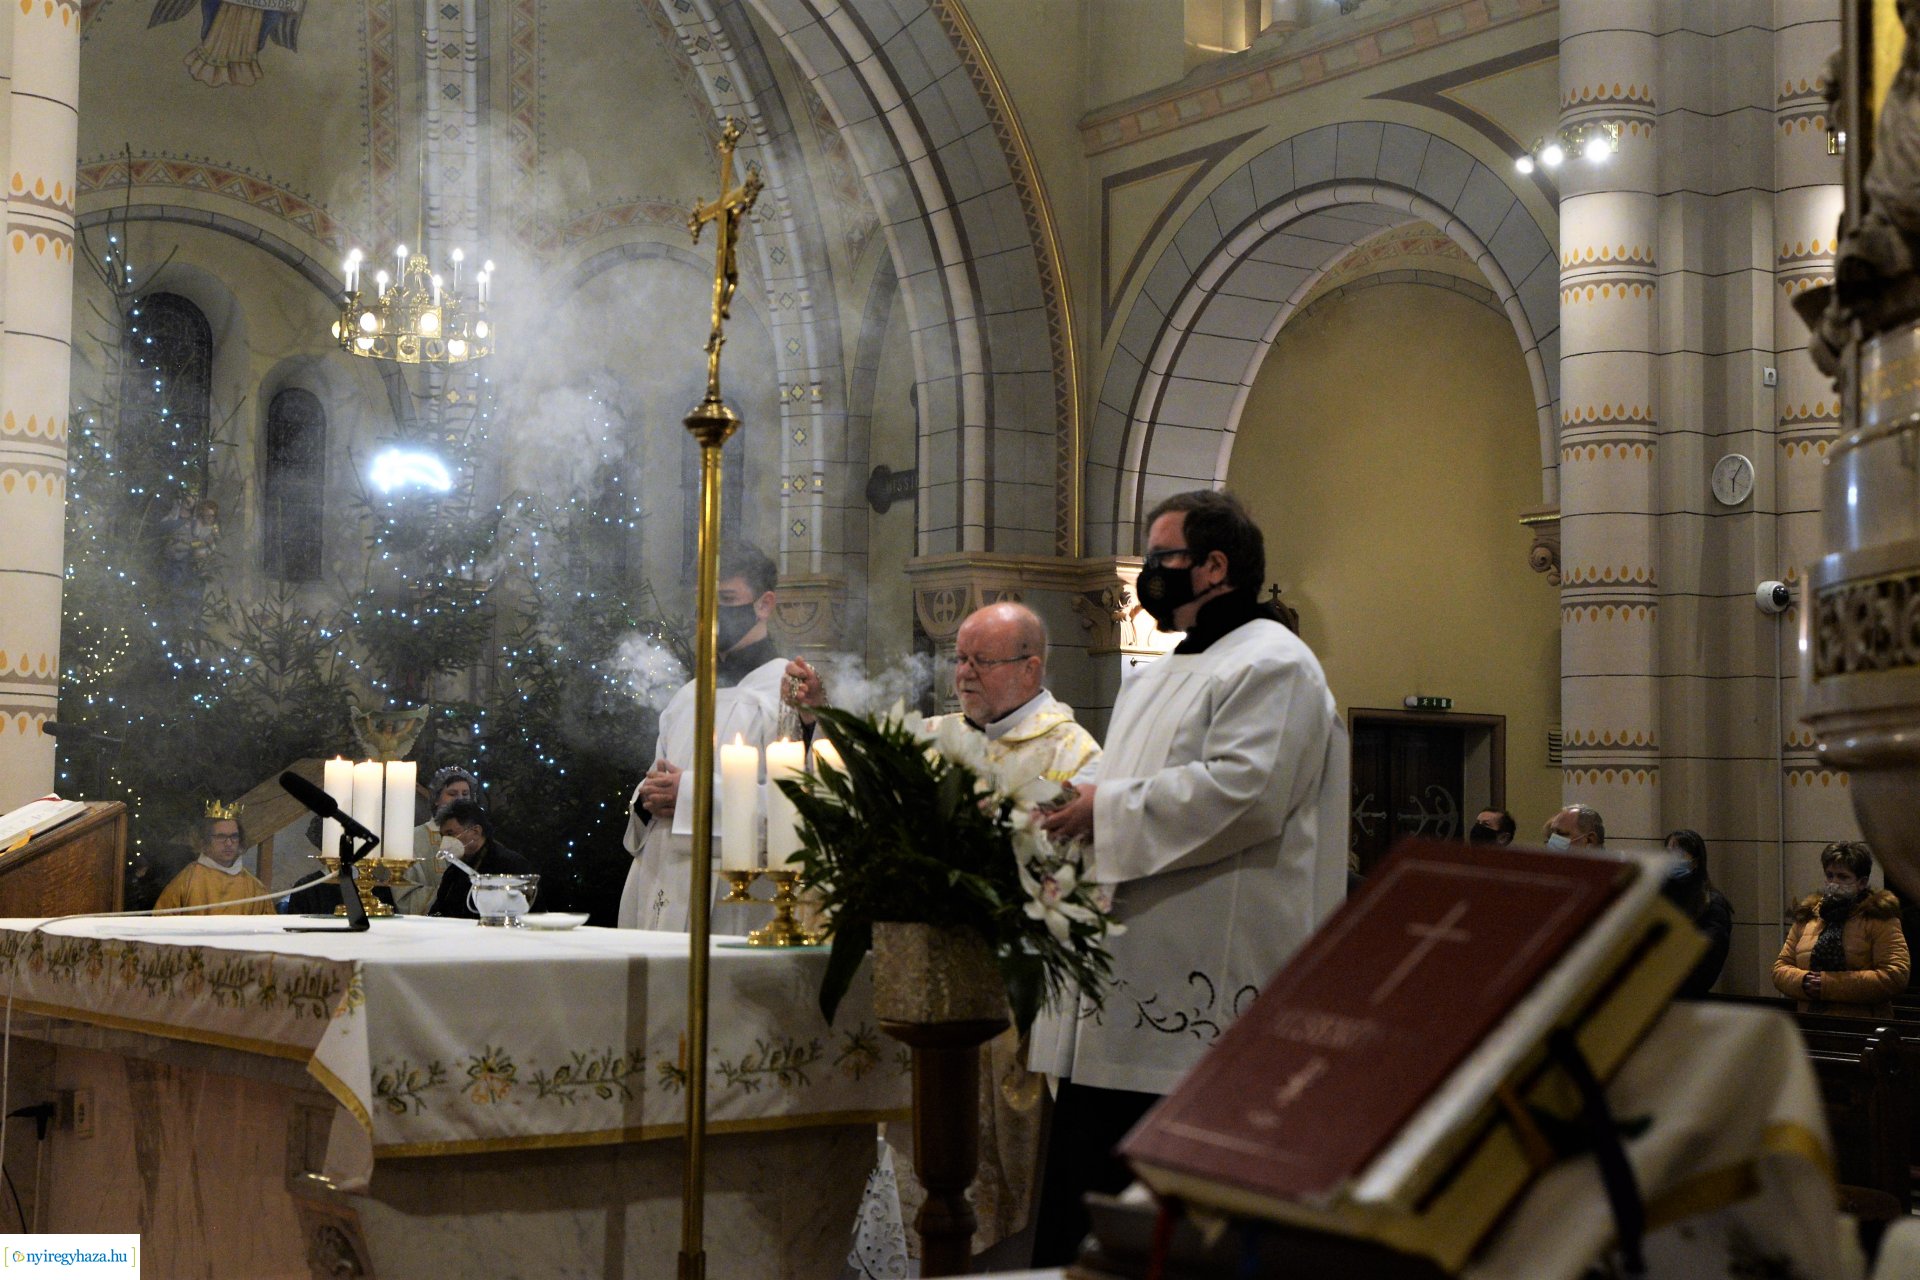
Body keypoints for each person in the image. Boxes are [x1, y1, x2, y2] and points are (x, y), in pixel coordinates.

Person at [1028, 489, 1348, 1266]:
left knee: (1167, 1224)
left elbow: (1246, 792)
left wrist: (1109, 808)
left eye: (1165, 556)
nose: (1153, 573)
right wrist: (1077, 805)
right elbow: (1124, 783)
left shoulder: (1275, 665)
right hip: (1124, 980)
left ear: (1215, 566)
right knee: (1088, 1200)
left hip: (1201, 987)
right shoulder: (1161, 674)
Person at [786, 601, 1101, 1259]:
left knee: (1009, 1172)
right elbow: (861, 768)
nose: (963, 674)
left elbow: (1074, 877)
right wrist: (821, 714)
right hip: (925, 993)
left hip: (1011, 1001)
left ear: (1031, 665)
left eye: (980, 661)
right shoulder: (934, 737)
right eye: (958, 658)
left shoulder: (1073, 752)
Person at [619, 543, 788, 930]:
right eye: (704, 600)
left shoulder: (787, 693)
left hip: (733, 900)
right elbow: (653, 787)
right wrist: (648, 800)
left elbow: (793, 806)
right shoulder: (687, 697)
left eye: (726, 599)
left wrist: (690, 795)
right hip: (659, 883)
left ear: (764, 604)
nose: (712, 613)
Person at [1772, 840, 1911, 1018]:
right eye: (1830, 875)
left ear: (1861, 883)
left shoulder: (1879, 918)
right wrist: (1804, 981)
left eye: (1843, 877)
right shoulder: (1808, 917)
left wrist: (1827, 985)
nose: (1834, 883)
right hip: (1812, 1021)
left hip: (1861, 1025)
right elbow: (1780, 969)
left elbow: (1894, 976)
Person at [155, 802, 275, 916]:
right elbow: (160, 921)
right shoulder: (187, 881)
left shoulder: (254, 888)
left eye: (234, 836)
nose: (229, 843)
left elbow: (271, 929)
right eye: (221, 837)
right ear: (206, 840)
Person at [427, 798, 536, 919]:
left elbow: (528, 914)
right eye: (442, 836)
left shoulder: (511, 864)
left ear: (476, 832)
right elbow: (438, 911)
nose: (444, 842)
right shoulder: (453, 871)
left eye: (450, 834)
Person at [392, 765, 479, 914]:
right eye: (452, 793)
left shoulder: (477, 837)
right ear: (436, 799)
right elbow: (405, 895)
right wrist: (455, 895)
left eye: (465, 794)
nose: (460, 800)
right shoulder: (411, 839)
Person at [1663, 829, 1732, 997]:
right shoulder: (1663, 899)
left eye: (1679, 854)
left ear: (1695, 861)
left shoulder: (1712, 904)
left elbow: (1706, 958)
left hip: (1688, 997)